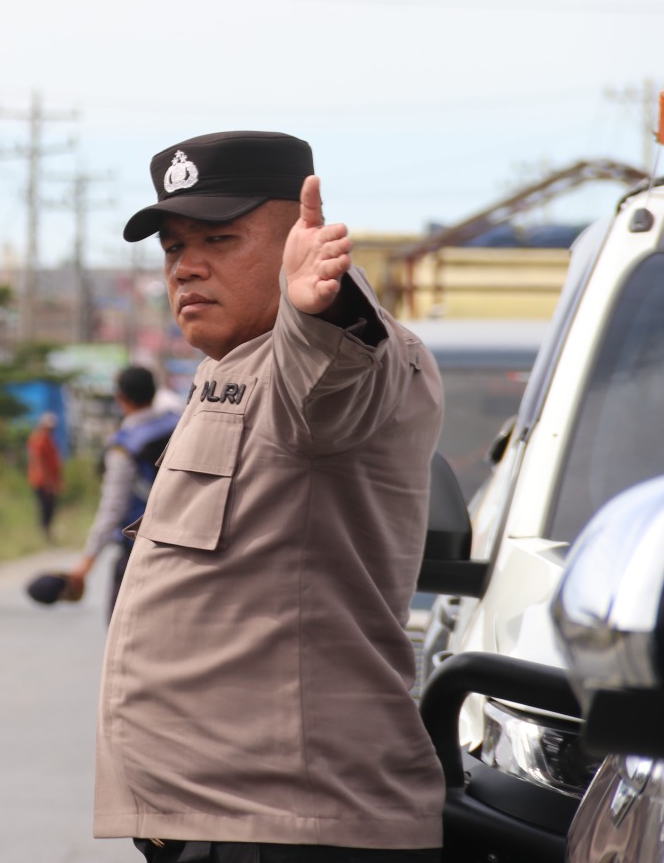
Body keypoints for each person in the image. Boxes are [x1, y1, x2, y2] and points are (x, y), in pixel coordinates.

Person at [95, 132, 444, 862]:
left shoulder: (337, 352)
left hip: (291, 828)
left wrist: (320, 308)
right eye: (172, 247)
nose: (187, 266)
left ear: (300, 237)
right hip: (229, 821)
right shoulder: (235, 364)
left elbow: (330, 379)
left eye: (220, 238)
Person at [67, 367, 181, 620]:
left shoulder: (124, 445)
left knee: (124, 626)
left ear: (121, 398)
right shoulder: (180, 424)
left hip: (142, 548)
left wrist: (87, 561)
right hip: (188, 543)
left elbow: (113, 507)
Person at [26, 413, 64, 542]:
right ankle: (44, 534)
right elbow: (38, 462)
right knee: (44, 508)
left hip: (50, 481)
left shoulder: (49, 440)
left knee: (50, 508)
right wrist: (46, 481)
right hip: (42, 481)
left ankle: (47, 533)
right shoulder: (38, 439)